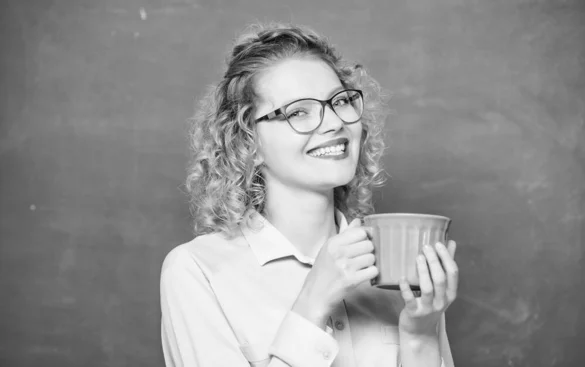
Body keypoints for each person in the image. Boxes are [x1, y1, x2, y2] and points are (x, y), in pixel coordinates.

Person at [160, 22, 459, 367]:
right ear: (247, 142)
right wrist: (313, 302)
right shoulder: (197, 271)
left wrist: (421, 335)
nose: (334, 123)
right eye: (298, 111)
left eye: (340, 101)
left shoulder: (397, 265)